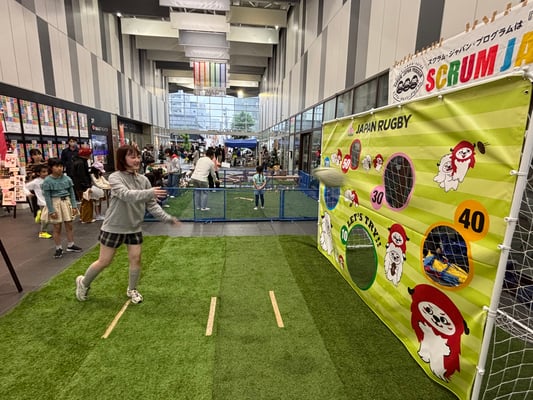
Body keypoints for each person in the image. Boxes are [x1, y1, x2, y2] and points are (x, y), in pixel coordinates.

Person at [75, 144, 180, 304]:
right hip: (113, 227)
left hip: (134, 227)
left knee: (136, 259)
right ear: (122, 159)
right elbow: (126, 195)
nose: (137, 160)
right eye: (132, 157)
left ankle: (132, 289)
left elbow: (151, 205)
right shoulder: (115, 177)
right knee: (104, 261)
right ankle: (83, 283)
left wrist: (168, 218)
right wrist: (149, 192)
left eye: (138, 156)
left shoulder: (143, 180)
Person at [41, 158, 82, 259]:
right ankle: (58, 248)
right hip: (55, 203)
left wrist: (74, 205)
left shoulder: (67, 178)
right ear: (51, 168)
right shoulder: (47, 180)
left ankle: (71, 244)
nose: (59, 168)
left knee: (69, 224)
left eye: (61, 166)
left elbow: (72, 193)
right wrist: (51, 210)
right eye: (56, 166)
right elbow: (47, 197)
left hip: (66, 202)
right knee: (57, 227)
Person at [24, 163, 52, 239]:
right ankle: (43, 232)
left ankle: (39, 215)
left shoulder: (50, 179)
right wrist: (28, 193)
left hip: (51, 201)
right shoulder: (36, 182)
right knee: (45, 219)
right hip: (42, 202)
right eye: (43, 172)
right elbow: (25, 187)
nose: (46, 173)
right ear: (38, 173)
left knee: (50, 217)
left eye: (46, 171)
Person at [71, 147, 94, 223]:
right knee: (87, 202)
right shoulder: (81, 163)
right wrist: (87, 186)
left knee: (83, 202)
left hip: (78, 185)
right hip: (83, 186)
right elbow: (82, 176)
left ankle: (82, 216)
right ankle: (86, 218)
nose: (90, 156)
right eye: (89, 154)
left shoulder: (77, 161)